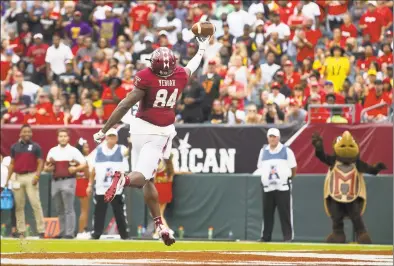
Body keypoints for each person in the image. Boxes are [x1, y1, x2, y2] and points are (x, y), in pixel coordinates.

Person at [92, 36, 212, 246]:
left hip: (138, 129)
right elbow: (192, 65)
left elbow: (124, 105)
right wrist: (202, 47)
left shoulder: (146, 76)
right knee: (141, 177)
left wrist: (104, 129)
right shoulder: (179, 75)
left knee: (147, 180)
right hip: (159, 133)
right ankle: (123, 180)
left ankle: (159, 224)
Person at [87, 129, 129, 240]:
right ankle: (96, 233)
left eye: (114, 137)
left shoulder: (121, 149)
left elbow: (128, 155)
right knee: (99, 212)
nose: (112, 139)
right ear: (106, 138)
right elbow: (92, 168)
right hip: (101, 188)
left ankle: (124, 234)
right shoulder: (98, 150)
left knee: (119, 212)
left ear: (117, 138)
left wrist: (132, 144)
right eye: (109, 136)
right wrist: (90, 184)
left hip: (116, 188)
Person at [256, 128, 297, 242]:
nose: (272, 139)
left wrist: (288, 177)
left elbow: (293, 167)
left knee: (285, 213)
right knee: (267, 214)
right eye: (270, 136)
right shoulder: (263, 151)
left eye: (274, 136)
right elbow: (260, 167)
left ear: (278, 137)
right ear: (267, 138)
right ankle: (266, 237)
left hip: (282, 187)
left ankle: (288, 237)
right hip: (268, 188)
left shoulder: (286, 151)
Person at [45, 128, 87, 239]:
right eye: (61, 136)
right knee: (59, 208)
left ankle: (69, 232)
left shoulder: (73, 150)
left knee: (68, 208)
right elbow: (46, 167)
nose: (63, 138)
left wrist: (75, 169)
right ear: (57, 138)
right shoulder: (53, 150)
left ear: (68, 138)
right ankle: (62, 231)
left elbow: (84, 163)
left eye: (65, 136)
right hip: (56, 180)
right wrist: (48, 168)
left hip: (68, 180)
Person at [4, 124, 45, 238]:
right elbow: (12, 164)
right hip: (18, 177)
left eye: (28, 132)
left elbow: (40, 162)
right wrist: (7, 179)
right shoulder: (14, 147)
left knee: (35, 204)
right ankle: (21, 231)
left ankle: (41, 230)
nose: (27, 134)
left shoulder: (36, 147)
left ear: (31, 133)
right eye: (24, 132)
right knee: (19, 206)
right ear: (20, 134)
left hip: (31, 176)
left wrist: (37, 176)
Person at [152, 155, 175, 239]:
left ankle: (167, 229)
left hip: (159, 189)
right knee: (160, 212)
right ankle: (157, 233)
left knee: (157, 214)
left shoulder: (159, 164)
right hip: (167, 190)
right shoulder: (170, 167)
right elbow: (171, 178)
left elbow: (153, 177)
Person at [75, 138, 91, 239]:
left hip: (80, 182)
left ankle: (84, 229)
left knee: (85, 209)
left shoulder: (77, 158)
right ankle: (81, 232)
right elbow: (87, 174)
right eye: (86, 147)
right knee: (84, 209)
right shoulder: (84, 159)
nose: (88, 148)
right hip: (83, 182)